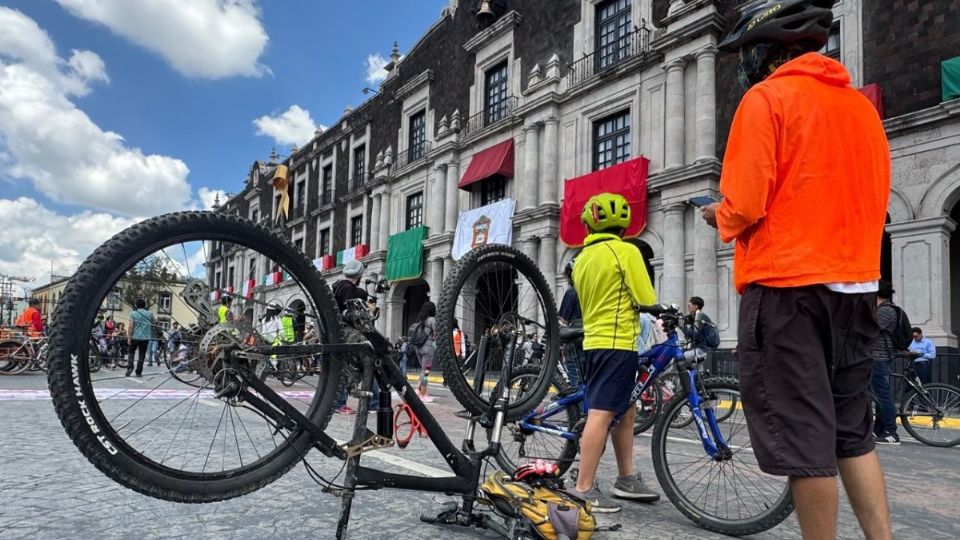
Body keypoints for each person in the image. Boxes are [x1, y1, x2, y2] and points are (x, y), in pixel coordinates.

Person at [700, 2, 893, 538]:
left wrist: (717, 212)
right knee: (853, 433)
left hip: (788, 288)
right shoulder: (860, 110)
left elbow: (744, 204)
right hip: (856, 287)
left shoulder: (766, 98)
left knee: (807, 442)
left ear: (763, 52)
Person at [571, 192, 659, 513]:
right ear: (623, 225)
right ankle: (583, 488)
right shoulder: (625, 251)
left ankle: (625, 477)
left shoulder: (581, 259)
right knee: (602, 414)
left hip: (594, 342)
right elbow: (646, 296)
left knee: (627, 409)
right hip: (618, 342)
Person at [331, 259, 368, 414]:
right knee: (363, 354)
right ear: (359, 275)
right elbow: (349, 312)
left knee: (344, 365)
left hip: (337, 330)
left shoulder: (338, 286)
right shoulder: (348, 288)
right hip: (346, 331)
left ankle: (343, 399)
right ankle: (342, 400)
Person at [872, 283, 901, 445]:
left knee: (882, 395)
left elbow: (870, 329)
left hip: (879, 357)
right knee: (878, 395)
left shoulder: (885, 310)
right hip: (878, 356)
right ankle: (878, 430)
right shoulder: (884, 309)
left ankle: (892, 432)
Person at [559, 260, 583, 386]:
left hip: (575, 341)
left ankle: (578, 406)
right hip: (591, 340)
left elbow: (563, 320)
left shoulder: (572, 292)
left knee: (576, 384)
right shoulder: (591, 290)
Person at [414, 301, 437, 403]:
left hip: (418, 347)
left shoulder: (419, 320)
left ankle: (418, 390)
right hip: (428, 348)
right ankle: (423, 394)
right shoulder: (432, 320)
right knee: (426, 372)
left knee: (422, 371)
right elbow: (437, 334)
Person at [126, 298, 155, 377]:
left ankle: (130, 367)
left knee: (131, 353)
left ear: (136, 305)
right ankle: (138, 372)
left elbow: (130, 326)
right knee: (141, 355)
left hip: (135, 336)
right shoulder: (150, 313)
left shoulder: (133, 313)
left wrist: (129, 337)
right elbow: (153, 324)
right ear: (145, 305)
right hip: (145, 338)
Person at [680, 296, 715, 361]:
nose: (688, 308)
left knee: (679, 358)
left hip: (701, 350)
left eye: (689, 306)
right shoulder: (695, 317)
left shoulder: (699, 316)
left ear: (696, 306)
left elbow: (694, 334)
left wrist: (682, 326)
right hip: (696, 348)